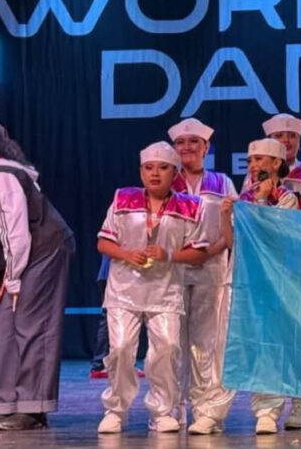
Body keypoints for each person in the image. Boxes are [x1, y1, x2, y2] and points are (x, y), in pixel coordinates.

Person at [0, 121, 74, 430]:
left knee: (31, 325)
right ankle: (4, 404)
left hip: (43, 252)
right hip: (21, 258)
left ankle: (33, 408)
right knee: (3, 326)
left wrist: (13, 279)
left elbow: (15, 235)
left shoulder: (1, 177)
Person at [96, 142, 208, 434]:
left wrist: (168, 255)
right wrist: (125, 254)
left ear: (175, 173)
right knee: (120, 348)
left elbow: (199, 253)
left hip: (165, 290)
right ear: (141, 172)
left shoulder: (190, 206)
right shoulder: (123, 198)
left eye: (163, 168)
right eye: (148, 168)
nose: (155, 173)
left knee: (168, 348)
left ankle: (162, 411)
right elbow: (103, 242)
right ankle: (116, 410)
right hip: (124, 289)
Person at [167, 117, 236, 434]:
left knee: (208, 342)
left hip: (213, 267)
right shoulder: (166, 181)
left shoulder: (222, 183)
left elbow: (232, 225)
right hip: (174, 269)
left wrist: (209, 252)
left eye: (194, 142)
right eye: (181, 143)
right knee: (172, 342)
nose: (187, 147)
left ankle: (207, 410)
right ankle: (172, 407)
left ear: (206, 147)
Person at [229, 138, 301, 435]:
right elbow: (233, 239)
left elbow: (275, 236)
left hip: (277, 279)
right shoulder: (242, 199)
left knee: (274, 344)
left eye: (260, 159)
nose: (254, 165)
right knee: (250, 344)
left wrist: (260, 202)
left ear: (276, 163)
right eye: (250, 160)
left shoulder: (288, 198)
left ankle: (272, 410)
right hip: (246, 277)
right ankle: (254, 408)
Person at [261, 113, 301, 205]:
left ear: (299, 142)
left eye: (292, 135)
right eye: (279, 135)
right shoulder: (256, 176)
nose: (286, 140)